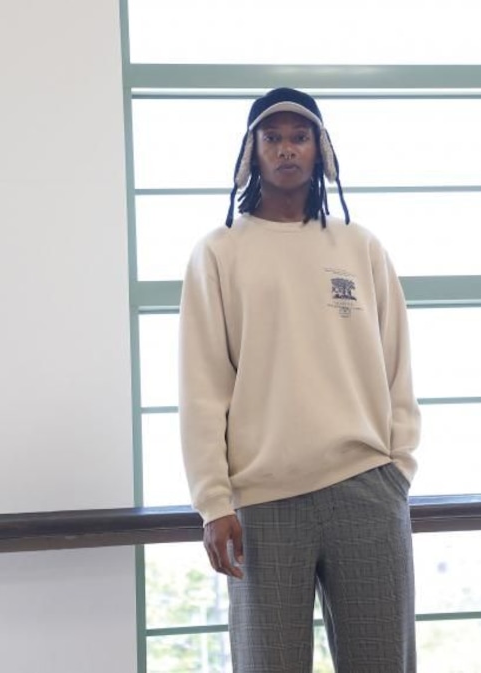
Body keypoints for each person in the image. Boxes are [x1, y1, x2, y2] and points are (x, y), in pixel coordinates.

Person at [179, 87, 421, 672]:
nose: (286, 148)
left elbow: (397, 363)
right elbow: (202, 386)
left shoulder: (360, 247)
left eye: (300, 136)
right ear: (251, 152)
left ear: (321, 150)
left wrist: (398, 468)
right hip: (263, 504)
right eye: (272, 137)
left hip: (367, 489)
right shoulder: (219, 253)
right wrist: (213, 502)